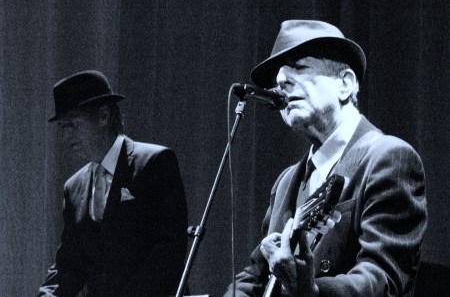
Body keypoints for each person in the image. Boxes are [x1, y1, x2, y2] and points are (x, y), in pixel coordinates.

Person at [224, 20, 427, 296]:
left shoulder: (390, 159)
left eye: (299, 67)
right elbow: (256, 276)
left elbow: (382, 278)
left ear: (345, 84)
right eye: (278, 77)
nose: (281, 81)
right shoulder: (285, 182)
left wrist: (313, 290)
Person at [38, 70, 188, 296]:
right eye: (62, 128)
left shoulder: (155, 162)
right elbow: (68, 266)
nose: (66, 137)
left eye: (73, 125)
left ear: (103, 116)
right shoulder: (74, 187)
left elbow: (167, 253)